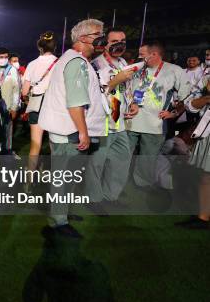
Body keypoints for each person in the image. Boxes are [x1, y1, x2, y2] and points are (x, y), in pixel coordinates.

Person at [38, 19, 115, 237]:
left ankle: (62, 213)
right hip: (69, 131)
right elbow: (75, 101)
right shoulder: (77, 62)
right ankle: (58, 221)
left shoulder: (76, 60)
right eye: (97, 34)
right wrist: (83, 131)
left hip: (67, 129)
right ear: (82, 38)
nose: (102, 38)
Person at [126, 41, 191, 189]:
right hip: (130, 121)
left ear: (154, 54)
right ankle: (118, 182)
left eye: (142, 55)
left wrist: (174, 113)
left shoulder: (174, 70)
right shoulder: (138, 68)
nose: (139, 57)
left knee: (147, 158)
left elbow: (186, 96)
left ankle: (142, 185)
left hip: (155, 124)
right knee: (123, 155)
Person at [90, 27, 137, 204]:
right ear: (105, 43)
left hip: (120, 121)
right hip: (103, 122)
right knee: (97, 164)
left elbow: (127, 88)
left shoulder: (124, 62)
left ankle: (111, 195)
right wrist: (114, 81)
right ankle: (93, 199)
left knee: (121, 160)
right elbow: (95, 94)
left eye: (123, 41)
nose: (120, 45)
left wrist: (132, 104)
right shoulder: (95, 64)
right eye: (115, 41)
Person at [21, 32, 59, 189]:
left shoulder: (31, 64)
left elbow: (24, 91)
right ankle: (56, 183)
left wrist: (28, 100)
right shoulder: (60, 62)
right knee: (55, 145)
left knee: (35, 146)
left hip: (37, 104)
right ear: (54, 46)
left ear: (39, 46)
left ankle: (29, 182)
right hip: (54, 106)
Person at [176, 67, 210, 229]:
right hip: (207, 132)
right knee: (206, 176)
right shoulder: (206, 78)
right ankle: (203, 217)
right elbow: (190, 105)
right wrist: (207, 98)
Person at [0, 49, 21, 156]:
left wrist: (14, 107)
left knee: (7, 131)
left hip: (8, 107)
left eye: (6, 57)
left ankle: (7, 152)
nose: (3, 59)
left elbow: (17, 90)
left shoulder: (12, 70)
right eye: (1, 57)